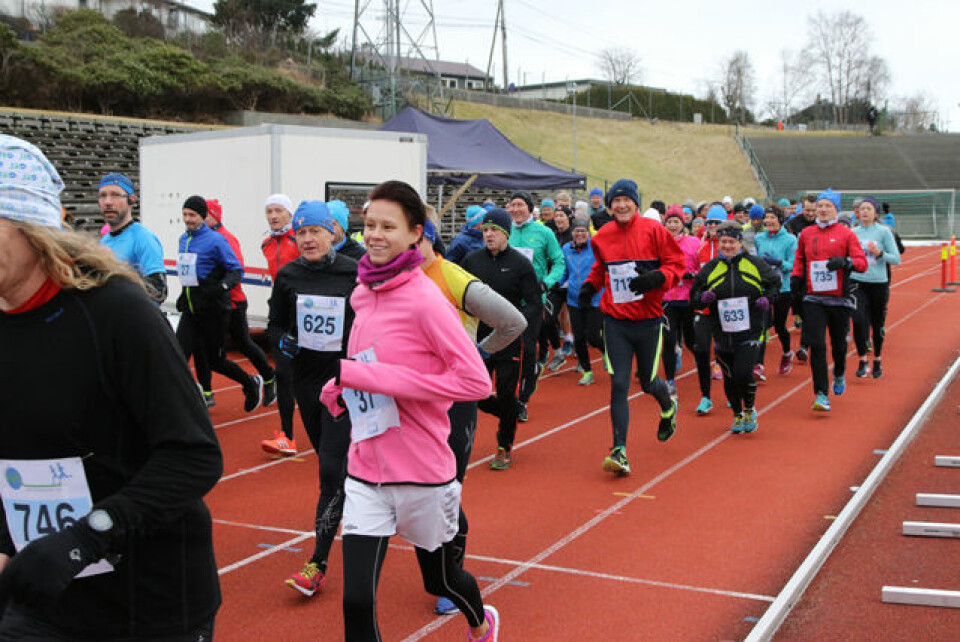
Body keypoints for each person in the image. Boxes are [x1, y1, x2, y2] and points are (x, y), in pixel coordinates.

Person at [0, 134, 222, 640]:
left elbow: (194, 456)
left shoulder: (116, 312)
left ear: (31, 225)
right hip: (41, 599)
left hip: (149, 604)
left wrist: (86, 536)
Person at [318, 180, 500, 642]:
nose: (375, 235)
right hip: (366, 468)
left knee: (440, 581)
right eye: (369, 225)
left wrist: (373, 380)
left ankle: (481, 623)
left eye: (388, 227)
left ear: (416, 234)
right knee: (356, 601)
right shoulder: (362, 293)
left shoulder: (426, 301)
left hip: (422, 472)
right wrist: (341, 384)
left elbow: (475, 382)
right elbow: (368, 365)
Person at [417, 213, 526, 614]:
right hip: (409, 398)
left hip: (452, 400)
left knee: (446, 488)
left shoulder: (451, 276)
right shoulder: (385, 280)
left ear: (425, 238)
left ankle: (451, 575)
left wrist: (477, 353)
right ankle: (440, 567)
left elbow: (514, 322)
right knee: (415, 487)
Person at [266, 201, 359, 598]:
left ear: (331, 232)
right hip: (306, 382)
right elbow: (274, 325)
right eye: (300, 233)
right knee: (331, 461)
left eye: (314, 232)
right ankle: (357, 507)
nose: (307, 239)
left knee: (329, 472)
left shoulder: (353, 273)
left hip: (345, 383)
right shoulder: (287, 275)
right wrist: (282, 342)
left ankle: (316, 562)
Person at [577, 179, 685, 476]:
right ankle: (619, 450)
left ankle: (667, 408)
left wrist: (656, 279)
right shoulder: (602, 237)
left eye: (627, 200)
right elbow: (601, 268)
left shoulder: (655, 231)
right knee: (620, 384)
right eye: (616, 201)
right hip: (616, 321)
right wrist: (589, 287)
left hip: (648, 320)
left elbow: (677, 264)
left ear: (636, 204)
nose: (621, 205)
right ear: (610, 206)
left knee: (649, 382)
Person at [462, 208, 542, 470]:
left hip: (509, 340)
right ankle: (508, 412)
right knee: (475, 393)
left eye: (494, 230)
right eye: (485, 230)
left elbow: (533, 303)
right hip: (478, 340)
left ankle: (504, 446)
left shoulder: (520, 264)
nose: (489, 234)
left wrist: (519, 326)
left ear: (506, 233)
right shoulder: (472, 261)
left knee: (507, 393)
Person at [174, 196, 263, 412]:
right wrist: (184, 294)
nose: (188, 219)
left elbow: (235, 270)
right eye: (185, 214)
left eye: (192, 215)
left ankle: (250, 382)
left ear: (203, 217)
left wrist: (220, 288)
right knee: (176, 356)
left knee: (215, 360)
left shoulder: (216, 240)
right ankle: (185, 402)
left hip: (214, 311)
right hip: (191, 309)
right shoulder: (182, 239)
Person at [691, 222, 781, 433]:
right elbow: (694, 298)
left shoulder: (755, 264)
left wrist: (766, 300)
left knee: (742, 372)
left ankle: (749, 408)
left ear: (739, 242)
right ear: (718, 242)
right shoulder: (711, 268)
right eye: (723, 242)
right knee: (729, 376)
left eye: (732, 242)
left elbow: (775, 283)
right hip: (722, 331)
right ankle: (737, 415)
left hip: (750, 329)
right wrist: (703, 298)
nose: (728, 246)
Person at [791, 189, 868, 411]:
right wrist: (796, 278)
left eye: (828, 206)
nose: (823, 210)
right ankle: (821, 393)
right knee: (816, 344)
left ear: (836, 209)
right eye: (820, 206)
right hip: (813, 298)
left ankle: (840, 372)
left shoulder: (847, 234)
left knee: (838, 346)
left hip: (839, 299)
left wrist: (845, 262)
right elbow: (800, 259)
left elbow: (861, 263)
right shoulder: (807, 233)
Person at [204, 199, 277, 408]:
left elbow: (237, 268)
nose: (201, 219)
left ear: (215, 216)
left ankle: (267, 377)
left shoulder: (226, 238)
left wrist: (221, 287)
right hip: (211, 305)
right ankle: (207, 391)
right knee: (209, 352)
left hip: (233, 302)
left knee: (243, 343)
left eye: (206, 214)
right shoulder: (199, 237)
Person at [506, 189, 565, 422]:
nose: (516, 209)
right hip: (506, 301)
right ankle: (510, 393)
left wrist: (547, 283)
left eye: (521, 205)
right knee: (508, 352)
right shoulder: (504, 231)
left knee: (527, 350)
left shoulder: (543, 232)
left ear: (530, 208)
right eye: (513, 205)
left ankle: (522, 399)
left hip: (532, 301)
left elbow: (558, 261)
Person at [260, 193, 301, 456]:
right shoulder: (265, 243)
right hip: (280, 311)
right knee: (283, 374)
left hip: (305, 310)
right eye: (269, 211)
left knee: (318, 376)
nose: (274, 216)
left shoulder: (300, 239)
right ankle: (287, 435)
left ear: (289, 214)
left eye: (279, 211)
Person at [97, 172, 167, 304]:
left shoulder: (143, 238)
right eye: (102, 196)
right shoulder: (103, 241)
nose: (107, 202)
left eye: (115, 195)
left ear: (131, 200)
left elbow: (159, 291)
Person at [852, 197, 901, 379]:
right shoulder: (853, 232)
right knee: (858, 320)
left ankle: (878, 359)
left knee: (877, 323)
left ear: (875, 213)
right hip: (857, 281)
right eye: (862, 209)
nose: (864, 212)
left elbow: (896, 259)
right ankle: (862, 360)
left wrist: (879, 253)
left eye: (868, 209)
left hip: (878, 283)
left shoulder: (884, 232)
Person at [660, 205, 701, 396]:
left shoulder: (694, 242)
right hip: (667, 299)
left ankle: (703, 366)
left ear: (683, 224)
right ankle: (669, 381)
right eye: (669, 222)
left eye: (676, 221)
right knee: (668, 341)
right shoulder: (659, 243)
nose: (673, 225)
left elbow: (703, 269)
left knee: (692, 340)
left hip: (688, 299)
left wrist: (692, 275)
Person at [754, 205, 798, 376]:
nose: (768, 221)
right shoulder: (759, 238)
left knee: (779, 326)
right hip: (764, 287)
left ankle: (787, 352)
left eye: (772, 218)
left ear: (780, 220)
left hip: (783, 287)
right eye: (766, 218)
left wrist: (778, 262)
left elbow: (793, 266)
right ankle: (759, 365)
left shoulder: (790, 240)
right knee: (762, 325)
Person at [691, 205, 727, 414]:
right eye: (710, 222)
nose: (713, 226)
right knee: (702, 351)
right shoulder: (701, 248)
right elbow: (698, 276)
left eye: (717, 222)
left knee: (726, 354)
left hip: (726, 310)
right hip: (704, 310)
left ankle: (731, 394)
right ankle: (705, 396)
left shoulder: (730, 247)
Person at [561, 217, 603, 385]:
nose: (580, 234)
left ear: (588, 232)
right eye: (577, 231)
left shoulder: (595, 247)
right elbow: (564, 272)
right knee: (578, 338)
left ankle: (605, 351)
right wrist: (555, 283)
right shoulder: (566, 249)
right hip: (574, 298)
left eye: (583, 231)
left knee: (592, 336)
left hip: (595, 297)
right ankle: (587, 372)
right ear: (572, 233)